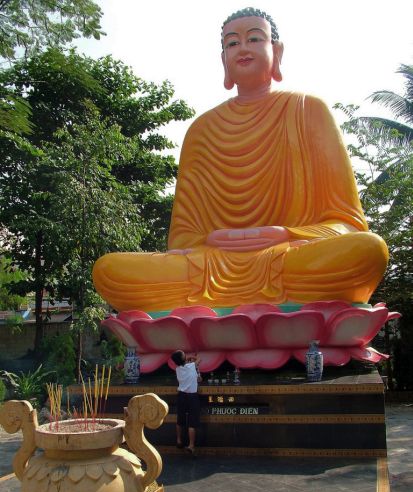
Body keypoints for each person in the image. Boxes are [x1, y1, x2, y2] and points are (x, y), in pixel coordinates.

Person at [92, 7, 388, 313]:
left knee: (367, 251)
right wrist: (213, 239)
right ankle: (271, 311)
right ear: (223, 60)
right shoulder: (201, 130)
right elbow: (183, 239)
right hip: (211, 265)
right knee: (109, 270)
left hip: (291, 255)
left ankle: (204, 319)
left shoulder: (308, 111)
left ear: (277, 51)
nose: (242, 48)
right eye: (232, 43)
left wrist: (288, 234)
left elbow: (348, 225)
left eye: (254, 39)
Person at [171, 350, 202, 454]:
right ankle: (191, 445)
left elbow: (187, 366)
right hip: (192, 397)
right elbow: (199, 359)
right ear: (184, 358)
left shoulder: (177, 369)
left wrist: (186, 358)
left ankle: (179, 440)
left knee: (180, 419)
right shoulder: (191, 366)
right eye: (184, 354)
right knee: (192, 422)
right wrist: (194, 356)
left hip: (181, 396)